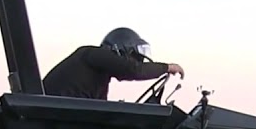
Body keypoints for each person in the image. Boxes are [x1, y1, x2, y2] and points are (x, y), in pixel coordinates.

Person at [42, 27, 183, 100]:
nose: (134, 62)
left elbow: (102, 106)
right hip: (62, 117)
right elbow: (133, 70)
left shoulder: (98, 76)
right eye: (133, 57)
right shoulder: (93, 54)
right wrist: (167, 67)